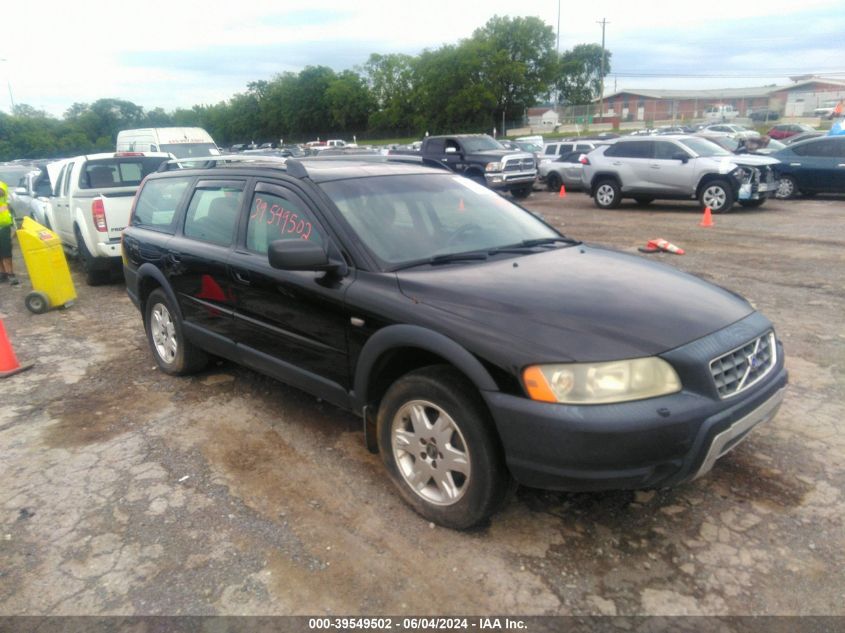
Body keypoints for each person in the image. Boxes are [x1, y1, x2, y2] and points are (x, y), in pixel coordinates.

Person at [0, 180, 20, 286]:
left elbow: (1, 192)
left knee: (5, 250)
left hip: (2, 225)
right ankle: (3, 273)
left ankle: (11, 274)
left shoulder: (1, 185)